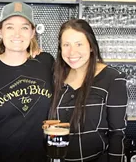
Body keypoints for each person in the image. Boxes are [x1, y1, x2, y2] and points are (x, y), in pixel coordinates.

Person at [0, 2, 55, 162]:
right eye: (9, 27)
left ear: (32, 32)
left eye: (24, 27)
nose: (17, 34)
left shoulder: (46, 62)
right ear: (0, 31)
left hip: (39, 157)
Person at [50, 19, 127, 162]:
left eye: (79, 44)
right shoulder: (56, 76)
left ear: (91, 46)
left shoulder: (112, 78)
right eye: (66, 45)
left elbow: (117, 134)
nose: (72, 51)